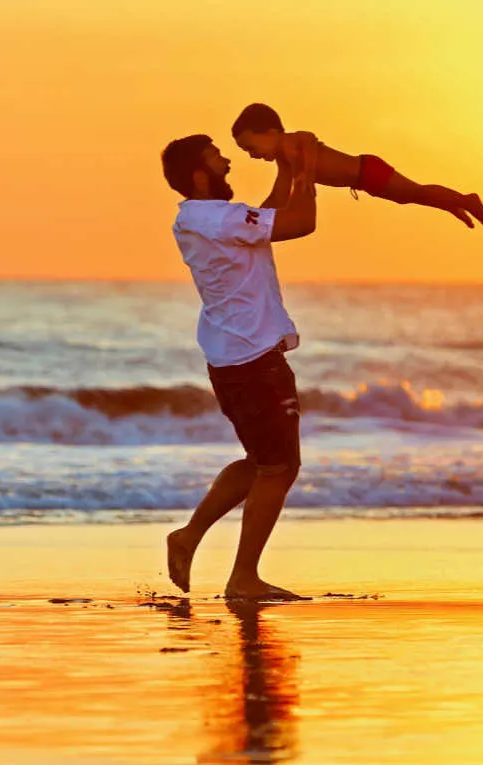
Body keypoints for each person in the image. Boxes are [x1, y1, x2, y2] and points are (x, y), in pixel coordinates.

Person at [161, 133, 316, 600]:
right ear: (199, 174)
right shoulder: (216, 217)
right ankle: (243, 578)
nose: (227, 162)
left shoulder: (203, 219)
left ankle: (188, 536)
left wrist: (286, 173)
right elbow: (300, 223)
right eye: (217, 158)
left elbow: (266, 217)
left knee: (263, 461)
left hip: (232, 356)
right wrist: (308, 168)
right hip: (252, 359)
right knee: (280, 467)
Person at [231, 102, 483, 228]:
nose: (252, 155)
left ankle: (466, 200)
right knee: (413, 196)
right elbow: (278, 195)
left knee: (416, 192)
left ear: (271, 132)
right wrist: (252, 222)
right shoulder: (285, 160)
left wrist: (307, 174)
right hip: (365, 179)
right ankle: (455, 205)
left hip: (367, 170)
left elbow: (309, 138)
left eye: (251, 147)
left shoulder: (290, 143)